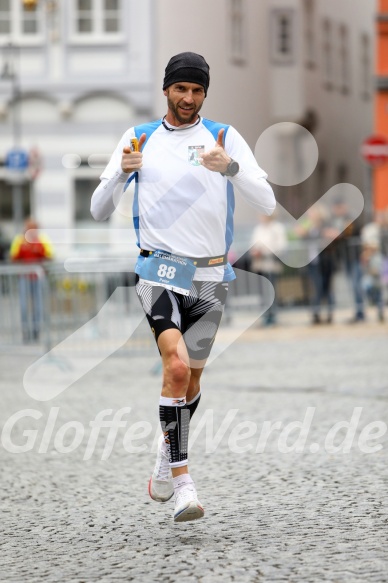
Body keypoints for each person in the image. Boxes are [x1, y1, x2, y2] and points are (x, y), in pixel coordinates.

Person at [91, 52, 275, 522]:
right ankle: (185, 486)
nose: (188, 98)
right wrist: (122, 171)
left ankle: (163, 453)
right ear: (166, 90)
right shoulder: (140, 138)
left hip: (212, 275)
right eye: (181, 89)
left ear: (205, 94)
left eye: (197, 91)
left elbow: (268, 200)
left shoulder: (223, 137)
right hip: (158, 270)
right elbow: (98, 208)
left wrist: (229, 168)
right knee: (174, 368)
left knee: (191, 380)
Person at [9, 218, 54, 342]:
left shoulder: (42, 240)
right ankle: (25, 331)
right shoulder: (19, 240)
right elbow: (13, 258)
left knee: (38, 306)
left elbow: (50, 257)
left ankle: (35, 331)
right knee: (24, 306)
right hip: (24, 277)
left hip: (38, 278)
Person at [249, 212, 287, 325]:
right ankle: (264, 314)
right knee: (262, 291)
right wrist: (255, 251)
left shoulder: (277, 228)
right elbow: (253, 244)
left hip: (271, 263)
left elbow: (281, 246)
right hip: (260, 265)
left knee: (271, 290)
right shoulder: (258, 229)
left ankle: (272, 314)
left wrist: (264, 251)